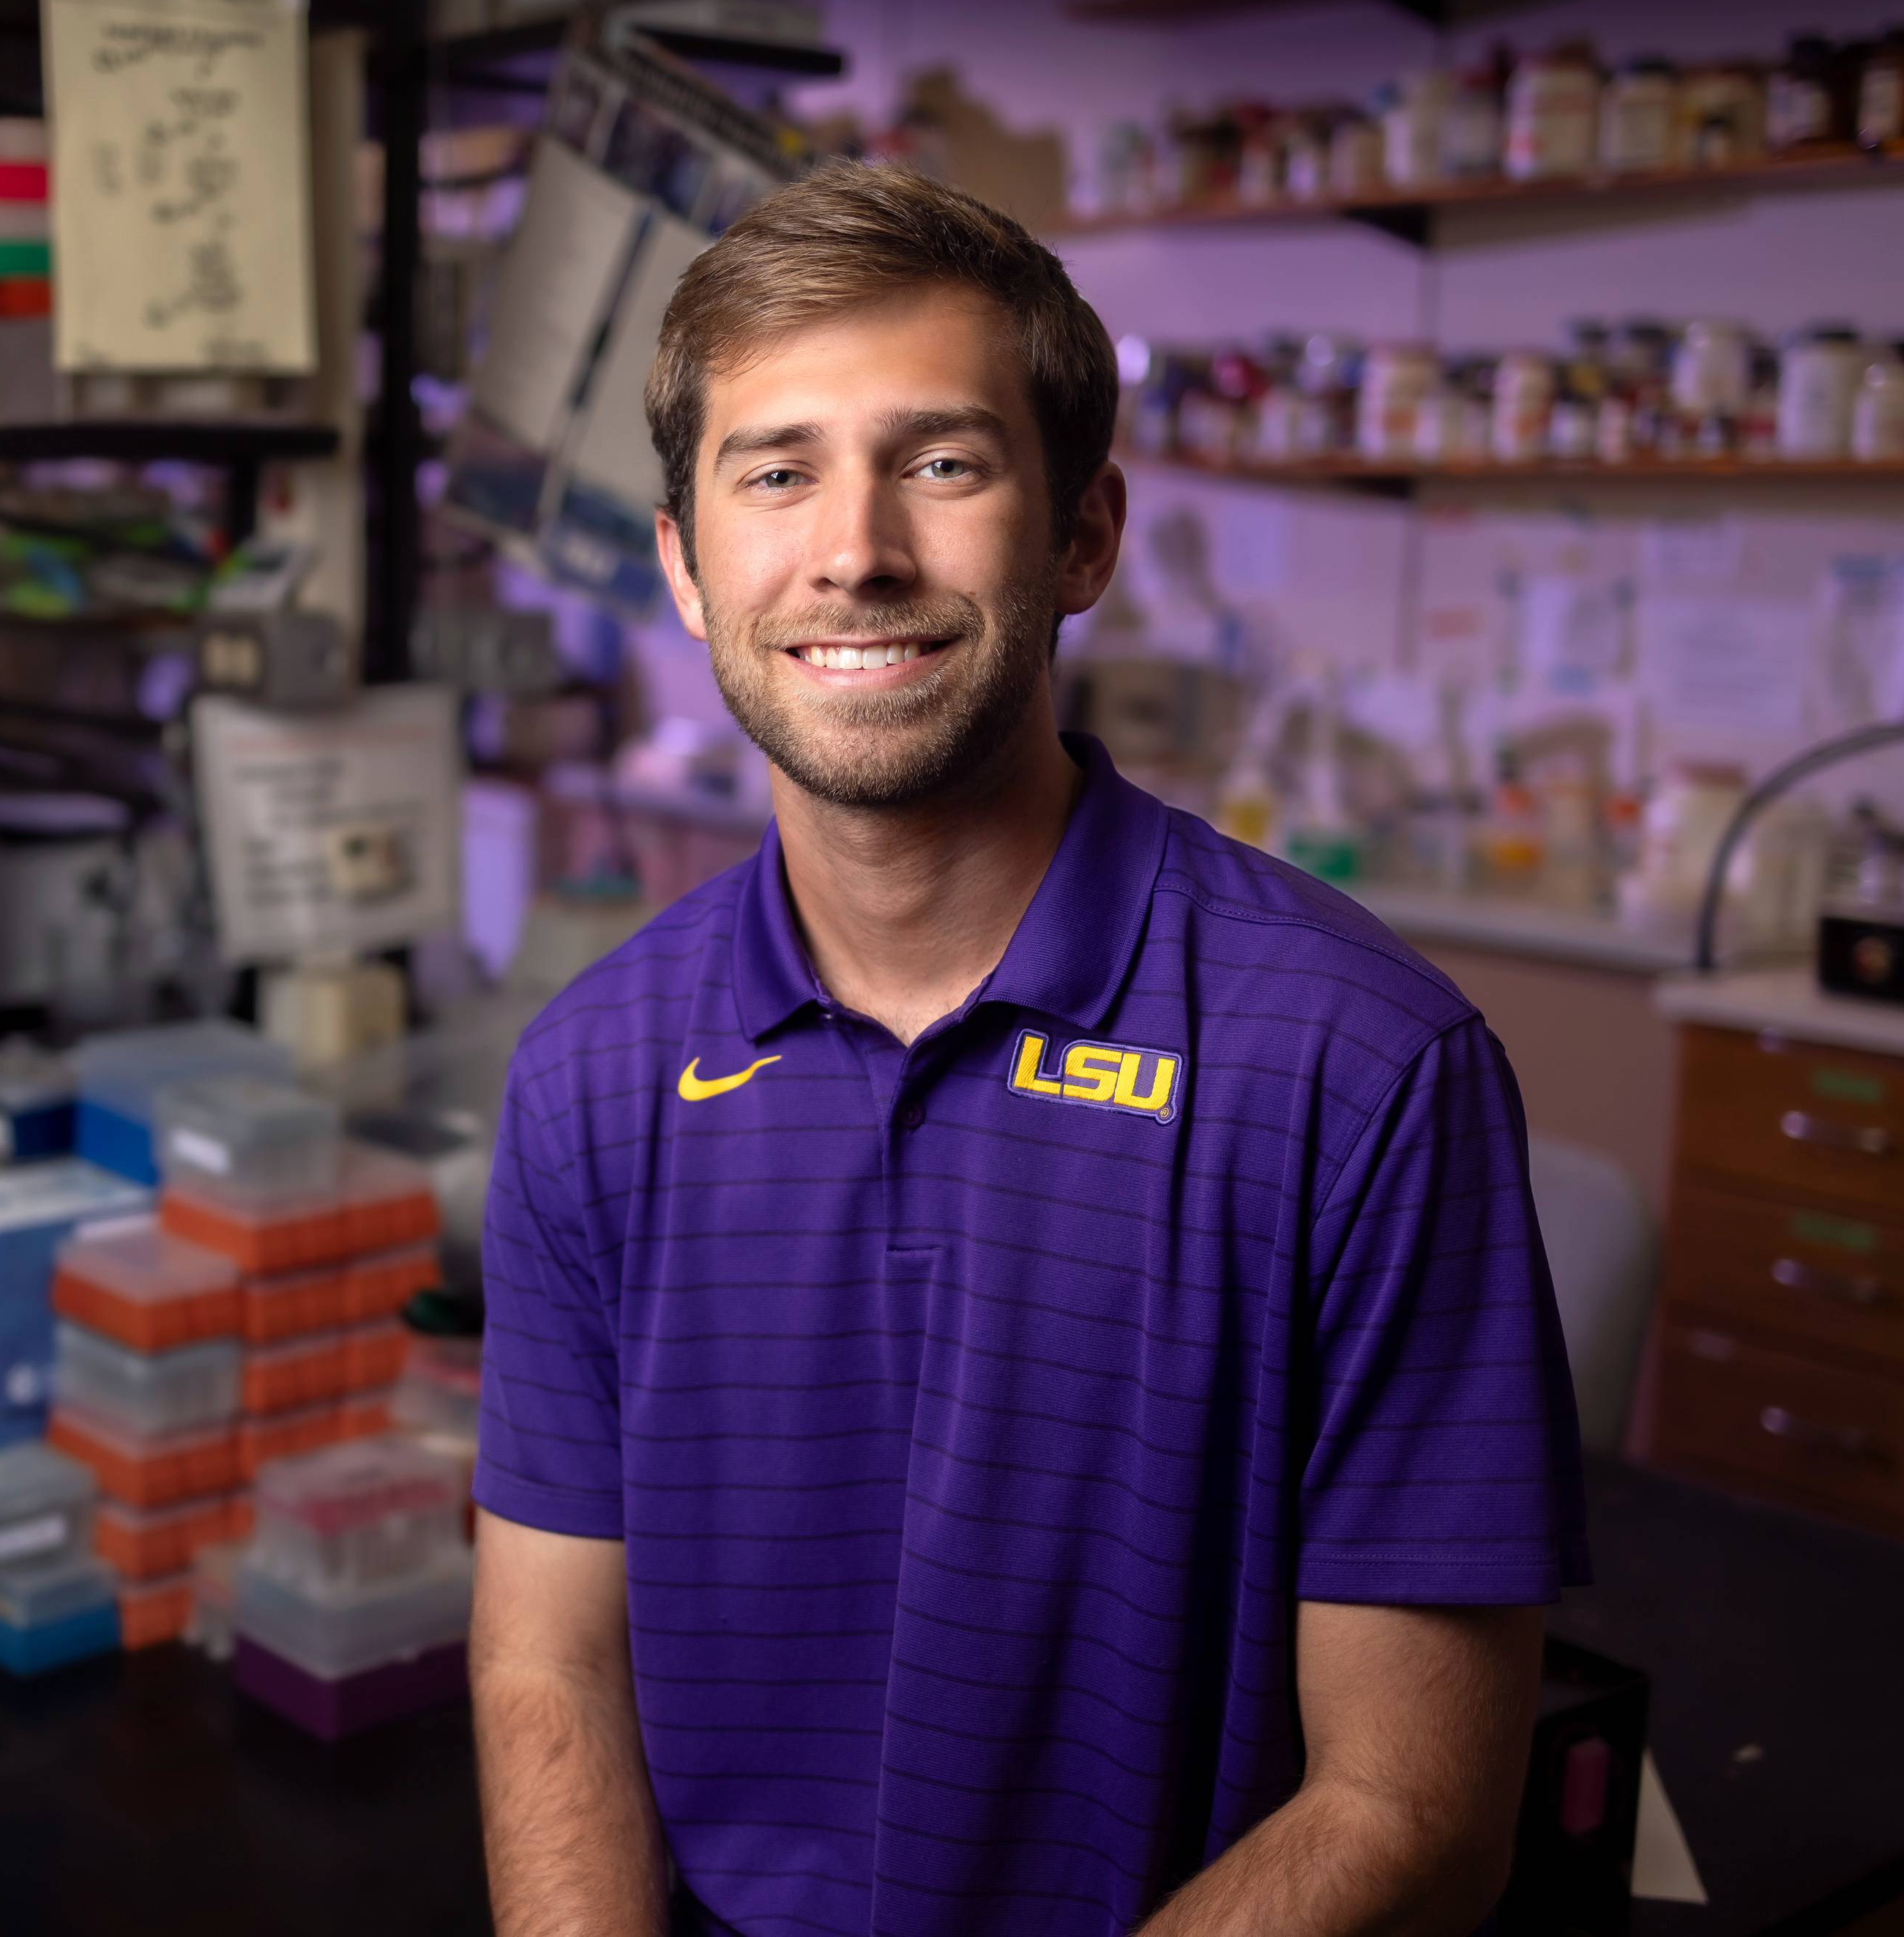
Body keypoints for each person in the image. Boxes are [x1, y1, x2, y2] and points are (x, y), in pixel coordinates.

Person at [468, 159, 1588, 1937]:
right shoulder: (591, 1075)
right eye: (775, 473)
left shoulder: (1361, 1068)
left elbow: (1413, 1808)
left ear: (1080, 533)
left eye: (939, 460)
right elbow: (550, 1673)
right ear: (683, 566)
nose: (852, 549)